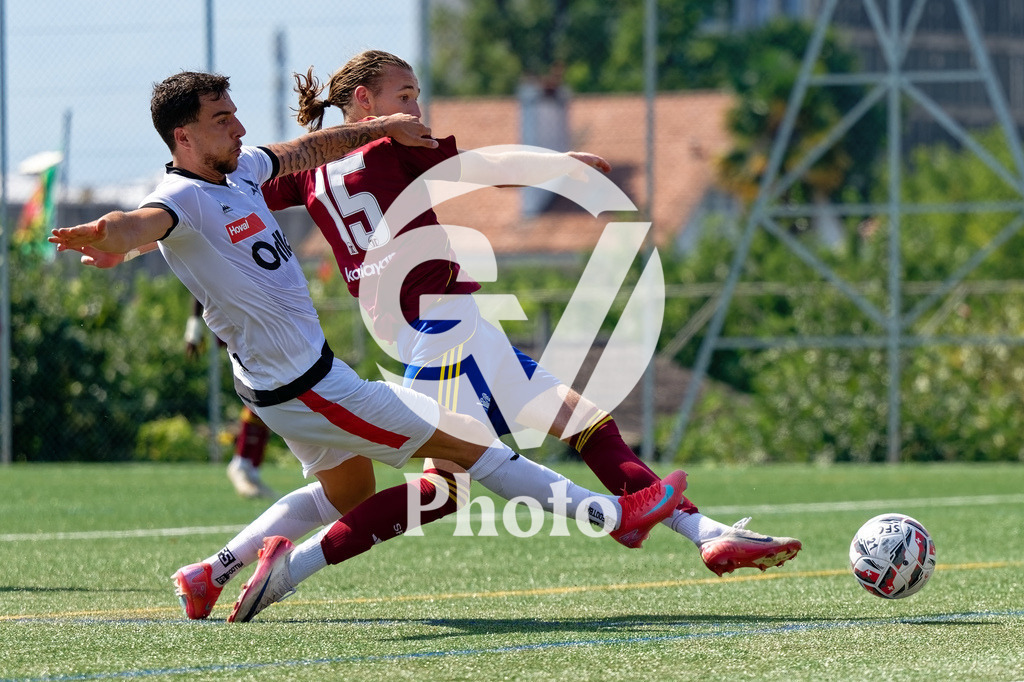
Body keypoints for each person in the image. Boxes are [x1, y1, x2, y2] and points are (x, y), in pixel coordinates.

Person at [50, 70, 688, 623]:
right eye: (222, 120)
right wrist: (113, 236)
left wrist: (381, 124)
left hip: (284, 383)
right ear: (181, 138)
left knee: (348, 490)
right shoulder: (180, 196)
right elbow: (142, 222)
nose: (239, 128)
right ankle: (616, 517)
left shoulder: (239, 171)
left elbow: (308, 148)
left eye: (236, 114)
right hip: (311, 388)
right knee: (471, 448)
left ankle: (208, 574)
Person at [261, 50, 802, 574]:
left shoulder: (309, 174)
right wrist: (556, 165)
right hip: (442, 327)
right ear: (364, 99)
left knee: (582, 420)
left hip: (446, 325)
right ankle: (290, 568)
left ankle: (707, 535)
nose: (417, 109)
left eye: (417, 96)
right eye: (405, 95)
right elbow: (481, 166)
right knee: (441, 490)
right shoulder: (391, 144)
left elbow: (248, 183)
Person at [185, 297, 275, 498]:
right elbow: (197, 275)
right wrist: (193, 327)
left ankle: (251, 468)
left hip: (258, 314)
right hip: (239, 317)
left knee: (273, 390)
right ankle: (242, 463)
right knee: (264, 387)